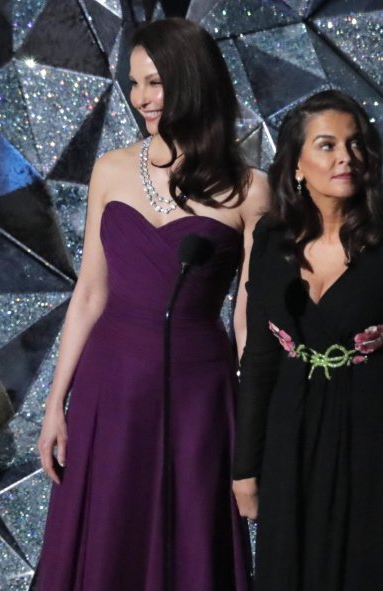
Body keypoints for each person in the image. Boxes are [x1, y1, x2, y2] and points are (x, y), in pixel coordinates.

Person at [35, 18, 268, 591]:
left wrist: (255, 418)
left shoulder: (252, 188)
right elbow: (90, 291)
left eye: (156, 82)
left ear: (193, 81)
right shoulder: (111, 169)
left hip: (200, 392)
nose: (142, 98)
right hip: (109, 384)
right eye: (135, 83)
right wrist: (54, 404)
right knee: (105, 529)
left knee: (191, 536)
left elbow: (247, 313)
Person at [231, 89, 383, 590]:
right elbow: (259, 359)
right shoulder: (271, 241)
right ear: (296, 164)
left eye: (356, 144)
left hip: (377, 438)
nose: (346, 156)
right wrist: (245, 467)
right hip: (289, 438)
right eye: (327, 145)